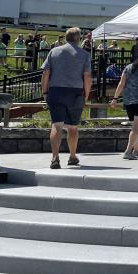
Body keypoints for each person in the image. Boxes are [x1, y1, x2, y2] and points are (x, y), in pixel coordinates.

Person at [41, 27, 92, 169]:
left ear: (66, 37)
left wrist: (45, 91)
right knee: (73, 128)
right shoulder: (84, 54)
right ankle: (72, 156)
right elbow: (87, 76)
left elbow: (46, 73)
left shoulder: (54, 51)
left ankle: (55, 158)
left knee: (57, 125)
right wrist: (86, 95)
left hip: (56, 91)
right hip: (76, 92)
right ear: (79, 39)